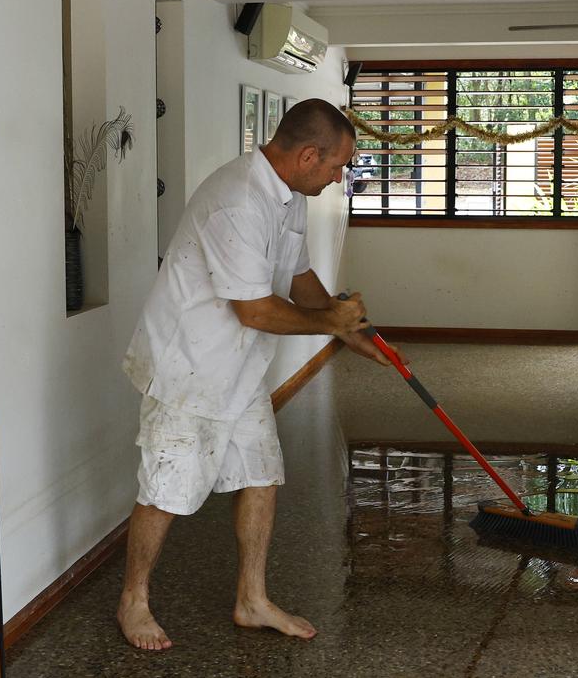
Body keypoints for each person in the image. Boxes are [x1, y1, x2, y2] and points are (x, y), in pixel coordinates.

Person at [117, 99, 402, 650]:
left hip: (240, 370)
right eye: (337, 165)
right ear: (308, 154)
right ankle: (133, 601)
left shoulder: (288, 194)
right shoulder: (238, 201)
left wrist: (353, 335)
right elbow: (255, 310)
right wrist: (330, 321)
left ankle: (252, 599)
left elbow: (297, 277)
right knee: (166, 488)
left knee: (260, 474)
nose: (341, 176)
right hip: (189, 368)